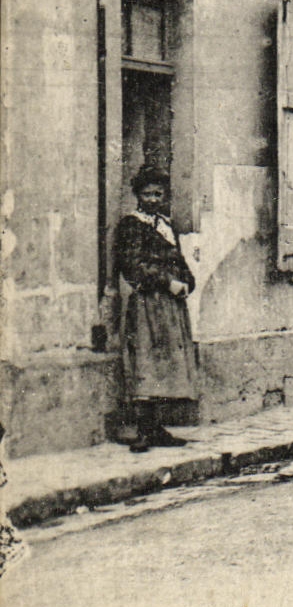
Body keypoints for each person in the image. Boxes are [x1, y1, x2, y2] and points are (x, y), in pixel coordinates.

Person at [112, 165, 198, 453]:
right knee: (147, 361)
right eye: (147, 194)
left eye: (158, 194)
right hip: (147, 303)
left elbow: (179, 259)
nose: (153, 199)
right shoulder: (131, 226)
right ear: (137, 195)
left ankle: (157, 428)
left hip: (171, 305)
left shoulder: (166, 225)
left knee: (166, 364)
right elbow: (133, 267)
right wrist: (165, 282)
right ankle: (141, 429)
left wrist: (187, 281)